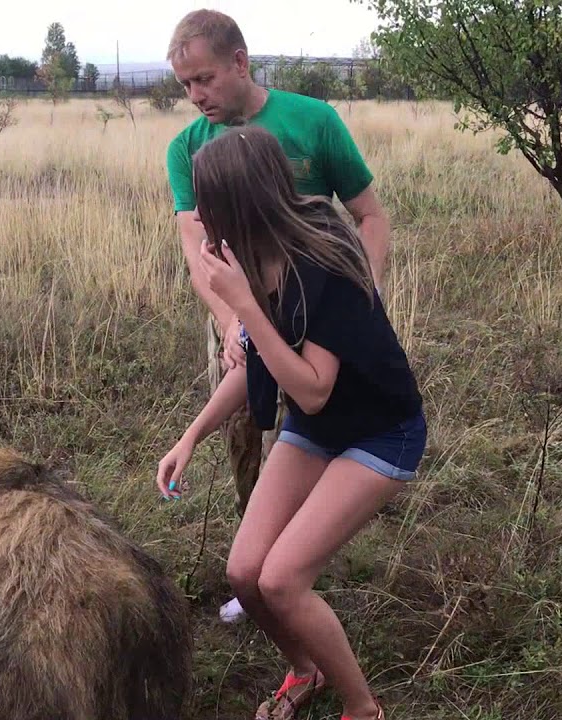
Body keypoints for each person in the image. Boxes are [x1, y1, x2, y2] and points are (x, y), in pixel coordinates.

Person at [156, 125, 425, 720]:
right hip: (316, 426)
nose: (199, 213)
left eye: (208, 200)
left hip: (380, 431)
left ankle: (362, 708)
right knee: (245, 575)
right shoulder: (249, 254)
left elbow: (313, 387)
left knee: (281, 581)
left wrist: (244, 306)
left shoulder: (324, 256)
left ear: (239, 203)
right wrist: (190, 437)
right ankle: (306, 670)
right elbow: (258, 360)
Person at [165, 6, 392, 625]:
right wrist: (233, 322)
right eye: (184, 85)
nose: (195, 96)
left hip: (318, 304)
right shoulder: (187, 148)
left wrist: (354, 302)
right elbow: (198, 250)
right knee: (245, 427)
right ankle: (258, 565)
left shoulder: (313, 121)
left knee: (324, 414)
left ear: (240, 61)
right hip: (237, 311)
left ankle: (304, 555)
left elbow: (369, 217)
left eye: (205, 79)